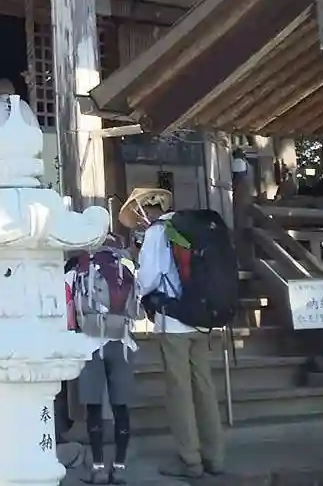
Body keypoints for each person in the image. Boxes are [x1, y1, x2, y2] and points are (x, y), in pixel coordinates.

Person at [125, 187, 228, 480]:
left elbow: (148, 279)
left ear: (144, 210)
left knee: (179, 391)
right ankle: (215, 456)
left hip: (173, 322)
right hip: (202, 319)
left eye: (138, 215)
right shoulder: (189, 227)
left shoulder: (157, 233)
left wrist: (133, 289)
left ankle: (190, 460)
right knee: (204, 387)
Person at [68, 235, 139, 483]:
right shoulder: (126, 266)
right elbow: (137, 307)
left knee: (94, 407)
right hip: (122, 342)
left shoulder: (78, 269)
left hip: (90, 344)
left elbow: (68, 306)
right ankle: (119, 467)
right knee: (121, 407)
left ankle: (98, 467)